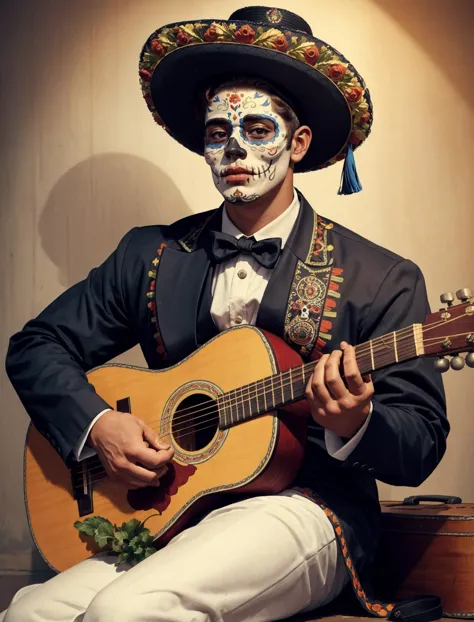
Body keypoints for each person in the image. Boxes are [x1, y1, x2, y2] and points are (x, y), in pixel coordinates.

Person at [2, 6, 449, 622]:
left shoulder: (382, 277)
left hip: (308, 507)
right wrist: (98, 426)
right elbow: (35, 346)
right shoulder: (152, 254)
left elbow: (422, 442)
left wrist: (357, 421)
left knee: (129, 611)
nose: (234, 148)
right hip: (176, 508)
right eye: (217, 132)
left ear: (299, 143)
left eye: (258, 128)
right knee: (30, 612)